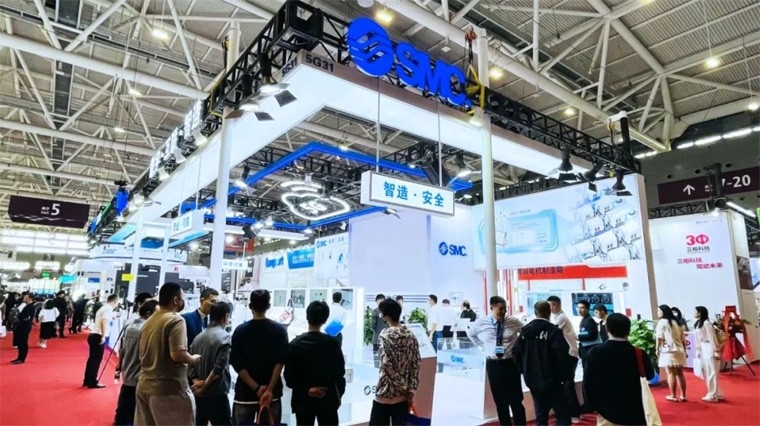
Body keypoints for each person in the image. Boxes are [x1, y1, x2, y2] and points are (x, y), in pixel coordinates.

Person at [135, 283, 200, 426]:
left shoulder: (150, 321)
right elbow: (178, 354)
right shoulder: (175, 320)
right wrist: (193, 359)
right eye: (183, 298)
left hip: (144, 385)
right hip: (168, 390)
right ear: (176, 300)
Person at [584, 313, 655, 425]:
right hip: (635, 410)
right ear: (629, 330)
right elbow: (650, 375)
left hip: (606, 411)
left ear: (607, 329)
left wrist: (592, 405)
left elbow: (588, 382)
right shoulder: (639, 353)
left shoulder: (595, 352)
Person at [230, 289, 289, 425]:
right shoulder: (280, 330)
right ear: (268, 306)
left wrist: (256, 388)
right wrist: (269, 390)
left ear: (250, 306)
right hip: (272, 395)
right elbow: (280, 362)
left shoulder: (240, 331)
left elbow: (236, 363)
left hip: (245, 394)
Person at [285, 301, 346, 425]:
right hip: (328, 400)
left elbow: (289, 377)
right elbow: (340, 373)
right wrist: (336, 395)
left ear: (307, 316)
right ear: (325, 319)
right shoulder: (332, 344)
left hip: (303, 401)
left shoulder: (295, 345)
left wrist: (306, 390)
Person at [467, 296, 526, 425]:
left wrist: (518, 348)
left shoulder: (513, 321)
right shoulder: (482, 322)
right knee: (500, 401)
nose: (503, 312)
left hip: (511, 364)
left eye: (505, 309)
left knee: (516, 400)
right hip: (493, 365)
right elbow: (471, 334)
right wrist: (483, 347)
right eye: (500, 309)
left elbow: (525, 332)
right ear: (492, 308)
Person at [513, 301, 572, 426]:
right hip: (553, 380)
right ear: (549, 312)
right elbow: (562, 354)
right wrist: (563, 376)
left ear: (535, 313)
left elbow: (516, 352)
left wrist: (524, 370)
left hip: (533, 380)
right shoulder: (553, 331)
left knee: (540, 415)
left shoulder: (525, 331)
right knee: (563, 416)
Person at [369, 299, 420, 426]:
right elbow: (416, 363)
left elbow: (386, 364)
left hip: (385, 392)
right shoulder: (411, 336)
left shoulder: (385, 335)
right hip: (404, 396)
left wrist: (401, 385)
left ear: (387, 317)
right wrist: (410, 389)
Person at [114, 300, 158, 426]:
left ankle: (121, 420)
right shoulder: (145, 330)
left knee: (126, 398)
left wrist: (120, 364)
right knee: (133, 404)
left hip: (128, 369)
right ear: (149, 314)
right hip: (138, 372)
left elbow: (123, 349)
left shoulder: (130, 326)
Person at [189, 302, 233, 426]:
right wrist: (205, 386)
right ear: (226, 316)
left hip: (198, 395)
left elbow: (190, 364)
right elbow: (219, 368)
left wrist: (196, 382)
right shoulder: (225, 338)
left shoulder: (198, 338)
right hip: (217, 395)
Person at [547, 295, 582, 422]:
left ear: (556, 305)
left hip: (569, 354)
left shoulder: (561, 318)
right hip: (566, 354)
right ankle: (570, 412)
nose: (550, 308)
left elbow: (551, 331)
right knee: (565, 385)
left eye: (551, 305)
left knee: (568, 385)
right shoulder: (556, 317)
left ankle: (575, 414)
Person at [83, 294, 119, 388]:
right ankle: (92, 382)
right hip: (98, 336)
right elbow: (104, 322)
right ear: (115, 301)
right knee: (96, 360)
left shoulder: (103, 308)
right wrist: (103, 336)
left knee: (92, 359)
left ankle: (87, 380)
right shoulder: (108, 309)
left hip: (93, 335)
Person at [656, 304, 687, 402]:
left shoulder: (662, 322)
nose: (658, 313)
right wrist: (684, 350)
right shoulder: (677, 322)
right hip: (679, 350)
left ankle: (673, 395)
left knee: (671, 373)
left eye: (659, 311)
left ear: (663, 312)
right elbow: (683, 339)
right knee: (680, 373)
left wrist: (657, 349)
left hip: (668, 350)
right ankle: (683, 395)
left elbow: (659, 337)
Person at [694, 306, 723, 402]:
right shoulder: (698, 323)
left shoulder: (706, 323)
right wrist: (698, 350)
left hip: (709, 347)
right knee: (707, 371)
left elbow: (712, 337)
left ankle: (712, 394)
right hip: (703, 347)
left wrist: (715, 350)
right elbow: (698, 338)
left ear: (700, 313)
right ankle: (716, 392)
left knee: (712, 371)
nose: (694, 313)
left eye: (695, 311)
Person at [10, 293, 36, 364]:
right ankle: (19, 357)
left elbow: (26, 317)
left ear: (30, 298)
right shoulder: (27, 306)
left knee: (23, 342)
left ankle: (22, 358)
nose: (24, 299)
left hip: (25, 326)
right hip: (22, 325)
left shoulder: (31, 307)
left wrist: (20, 316)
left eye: (25, 297)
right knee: (20, 342)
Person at [371, 294, 388, 364]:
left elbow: (373, 325)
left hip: (377, 338)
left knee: (377, 360)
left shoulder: (375, 311)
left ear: (376, 301)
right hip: (387, 339)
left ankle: (377, 370)